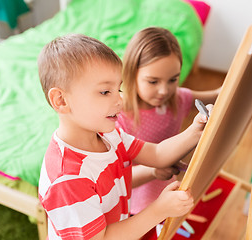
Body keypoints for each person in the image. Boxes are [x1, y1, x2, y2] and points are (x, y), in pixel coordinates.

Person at [37, 33, 210, 240]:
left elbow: (157, 153)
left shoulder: (109, 135)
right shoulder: (67, 178)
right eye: (104, 92)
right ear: (61, 100)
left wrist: (196, 129)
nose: (120, 100)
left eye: (118, 88)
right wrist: (158, 210)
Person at [116, 26, 221, 215]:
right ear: (132, 74)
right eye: (153, 81)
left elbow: (217, 96)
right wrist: (153, 171)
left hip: (170, 192)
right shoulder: (119, 118)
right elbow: (118, 180)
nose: (164, 90)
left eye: (173, 79)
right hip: (136, 206)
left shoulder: (178, 99)